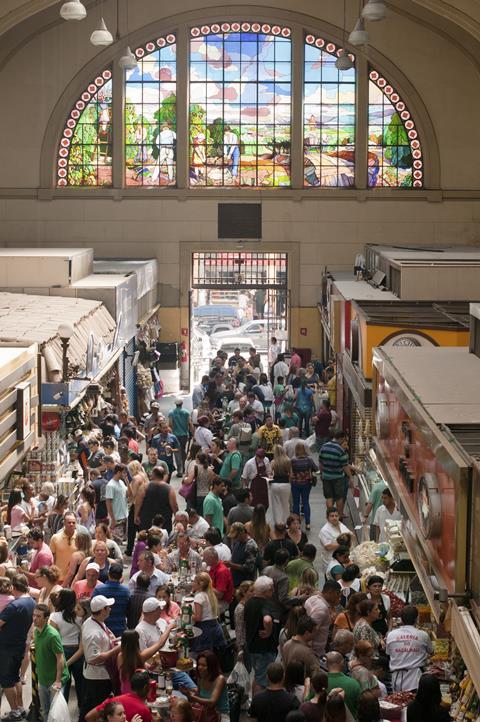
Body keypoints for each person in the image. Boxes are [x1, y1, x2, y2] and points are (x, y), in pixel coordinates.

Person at [0, 574, 36, 721]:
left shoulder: (14, 606)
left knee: (7, 681)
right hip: (20, 645)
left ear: (14, 588)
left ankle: (14, 711)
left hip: (7, 648)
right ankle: (20, 708)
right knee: (16, 678)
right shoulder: (31, 602)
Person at [80, 595, 120, 721]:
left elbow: (107, 638)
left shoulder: (95, 621)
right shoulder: (93, 633)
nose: (110, 609)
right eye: (108, 607)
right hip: (97, 679)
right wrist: (117, 649)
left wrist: (116, 641)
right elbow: (94, 658)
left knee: (88, 706)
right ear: (102, 610)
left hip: (99, 676)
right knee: (95, 710)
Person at [33, 603, 70, 719]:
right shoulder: (36, 631)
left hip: (55, 681)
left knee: (56, 715)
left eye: (38, 616)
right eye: (34, 615)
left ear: (46, 618)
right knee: (45, 711)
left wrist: (58, 681)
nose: (35, 618)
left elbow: (60, 658)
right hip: (43, 679)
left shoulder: (52, 635)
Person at [386, 605, 433, 691]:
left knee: (398, 702)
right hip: (415, 679)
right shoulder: (423, 635)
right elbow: (431, 651)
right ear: (416, 619)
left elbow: (388, 653)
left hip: (396, 679)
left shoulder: (391, 635)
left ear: (401, 619)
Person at [50, 588, 84, 703]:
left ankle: (62, 710)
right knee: (80, 683)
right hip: (78, 652)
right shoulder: (79, 615)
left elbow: (53, 637)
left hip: (62, 651)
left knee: (64, 683)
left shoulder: (55, 616)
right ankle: (81, 708)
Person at [244, 576, 277, 692]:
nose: (273, 592)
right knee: (261, 680)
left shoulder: (248, 603)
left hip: (252, 645)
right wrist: (269, 631)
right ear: (266, 591)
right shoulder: (266, 604)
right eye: (271, 589)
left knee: (258, 675)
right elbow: (267, 619)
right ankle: (257, 706)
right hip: (264, 648)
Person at [86, 669, 154, 722]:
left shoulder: (113, 701)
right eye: (119, 714)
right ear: (145, 687)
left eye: (123, 713)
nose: (124, 717)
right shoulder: (144, 710)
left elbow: (89, 717)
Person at [185, 649, 230, 722]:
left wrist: (192, 697)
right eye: (199, 664)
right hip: (205, 713)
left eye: (204, 665)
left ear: (211, 666)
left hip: (220, 715)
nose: (200, 667)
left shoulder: (220, 679)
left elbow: (212, 702)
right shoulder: (201, 678)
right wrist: (187, 693)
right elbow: (198, 697)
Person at [92, 562, 131, 637]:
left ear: (108, 574)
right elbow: (129, 611)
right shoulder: (126, 591)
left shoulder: (99, 589)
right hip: (120, 629)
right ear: (121, 576)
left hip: (102, 629)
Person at [319, 431, 352, 518]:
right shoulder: (340, 450)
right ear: (340, 438)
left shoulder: (324, 446)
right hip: (338, 477)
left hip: (326, 476)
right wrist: (350, 477)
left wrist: (321, 473)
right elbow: (345, 466)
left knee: (329, 497)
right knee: (339, 497)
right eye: (344, 439)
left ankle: (330, 515)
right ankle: (339, 514)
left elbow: (321, 462)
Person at [135, 466, 178, 534]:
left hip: (147, 520)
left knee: (147, 540)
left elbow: (138, 503)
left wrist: (136, 515)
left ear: (153, 475)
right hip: (164, 521)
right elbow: (174, 505)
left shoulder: (144, 487)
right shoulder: (169, 489)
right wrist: (177, 516)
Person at [304, 580, 342, 658]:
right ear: (330, 592)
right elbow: (310, 631)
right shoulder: (321, 609)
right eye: (337, 593)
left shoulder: (313, 598)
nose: (339, 597)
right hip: (314, 652)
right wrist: (309, 655)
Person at [191, 571, 225, 652]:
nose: (192, 583)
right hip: (215, 628)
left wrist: (187, 614)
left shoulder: (199, 597)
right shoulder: (210, 594)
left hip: (204, 630)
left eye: (194, 582)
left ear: (200, 584)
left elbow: (198, 618)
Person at [326, 651, 361, 719]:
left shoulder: (319, 682)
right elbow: (360, 707)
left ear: (326, 664)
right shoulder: (353, 684)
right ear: (342, 663)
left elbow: (308, 701)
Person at [290, 444, 317, 530]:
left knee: (296, 503)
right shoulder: (309, 460)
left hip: (295, 483)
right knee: (305, 502)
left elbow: (290, 472)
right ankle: (307, 523)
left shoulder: (293, 460)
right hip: (306, 483)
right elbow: (316, 468)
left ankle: (296, 523)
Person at [318, 508, 353, 574]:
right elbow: (328, 546)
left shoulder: (341, 524)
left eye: (336, 516)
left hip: (344, 559)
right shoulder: (325, 530)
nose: (334, 518)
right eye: (332, 516)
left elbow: (350, 534)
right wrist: (344, 543)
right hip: (331, 560)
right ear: (327, 517)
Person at [168, 398, 194, 477]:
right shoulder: (186, 412)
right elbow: (190, 423)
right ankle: (182, 466)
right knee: (182, 450)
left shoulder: (171, 413)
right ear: (182, 404)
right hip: (184, 435)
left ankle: (180, 470)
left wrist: (170, 433)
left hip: (175, 435)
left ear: (175, 404)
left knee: (177, 452)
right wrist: (193, 434)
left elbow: (170, 424)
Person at [50, 511, 78, 581]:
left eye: (73, 522)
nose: (71, 524)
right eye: (69, 522)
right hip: (59, 577)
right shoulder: (55, 538)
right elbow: (52, 557)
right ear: (64, 523)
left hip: (74, 578)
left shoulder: (80, 538)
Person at [105, 464, 129, 543]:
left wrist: (127, 482)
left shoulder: (122, 482)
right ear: (118, 472)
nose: (125, 474)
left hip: (124, 516)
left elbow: (129, 494)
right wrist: (113, 518)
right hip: (116, 518)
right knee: (116, 541)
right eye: (124, 473)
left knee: (122, 541)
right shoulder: (110, 485)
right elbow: (108, 502)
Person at [270, 445, 292, 525]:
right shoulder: (288, 460)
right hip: (285, 484)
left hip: (275, 484)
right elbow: (291, 475)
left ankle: (278, 523)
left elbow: (269, 473)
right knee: (285, 504)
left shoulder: (273, 462)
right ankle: (286, 523)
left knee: (276, 505)